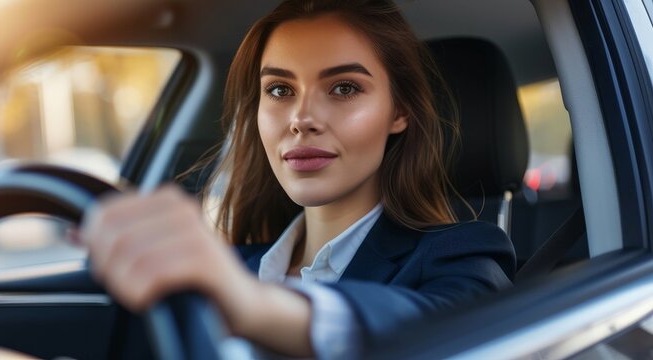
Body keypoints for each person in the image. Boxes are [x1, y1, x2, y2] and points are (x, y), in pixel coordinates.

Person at [80, 0, 516, 358]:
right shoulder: (232, 265)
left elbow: (448, 328)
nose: (301, 119)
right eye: (279, 90)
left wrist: (250, 304)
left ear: (399, 112)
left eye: (344, 88)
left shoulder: (465, 253)